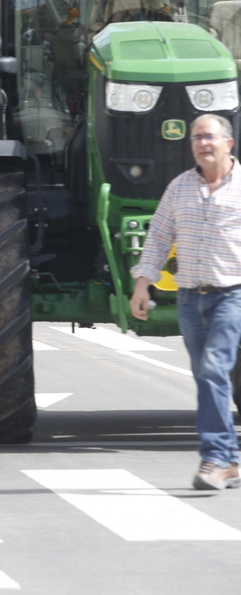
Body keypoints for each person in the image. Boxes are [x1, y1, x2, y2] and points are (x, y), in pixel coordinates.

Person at [130, 113, 241, 491]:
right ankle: (231, 461)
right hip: (190, 297)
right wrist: (142, 284)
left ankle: (215, 457)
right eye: (196, 138)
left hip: (232, 293)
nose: (202, 143)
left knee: (213, 369)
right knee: (205, 376)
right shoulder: (180, 187)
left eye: (209, 136)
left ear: (229, 143)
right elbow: (159, 236)